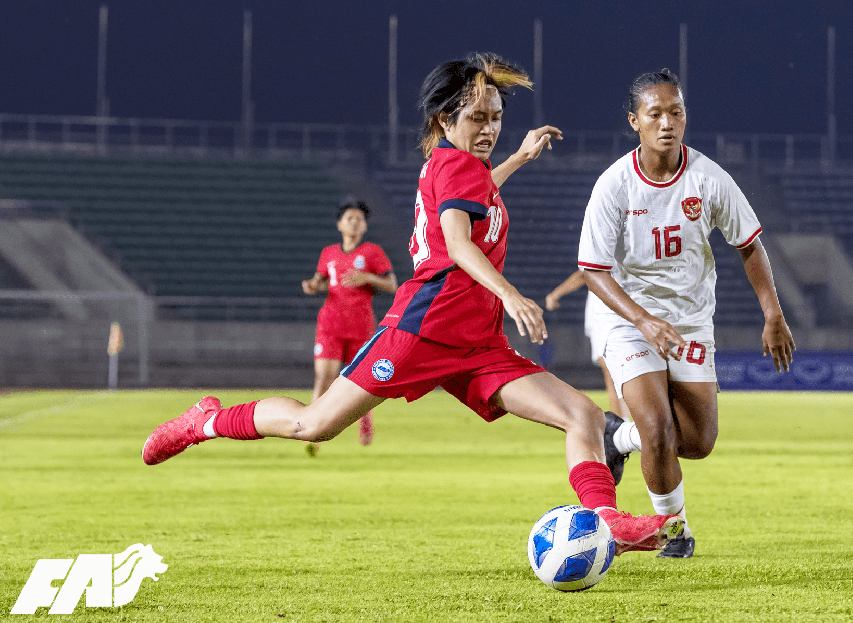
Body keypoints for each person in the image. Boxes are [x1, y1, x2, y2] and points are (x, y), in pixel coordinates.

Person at [142, 53, 685, 554]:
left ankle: (605, 520)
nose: (490, 127)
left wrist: (518, 156)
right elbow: (457, 242)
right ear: (445, 122)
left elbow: (478, 198)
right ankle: (207, 420)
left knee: (582, 415)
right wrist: (512, 294)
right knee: (314, 425)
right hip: (423, 330)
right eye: (477, 117)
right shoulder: (454, 167)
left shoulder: (462, 168)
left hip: (475, 342)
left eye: (495, 116)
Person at [578, 68, 795, 559]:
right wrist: (642, 321)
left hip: (691, 322)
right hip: (631, 322)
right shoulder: (614, 185)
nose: (667, 122)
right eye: (655, 113)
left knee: (697, 442)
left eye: (675, 112)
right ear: (635, 120)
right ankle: (676, 531)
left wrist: (773, 314)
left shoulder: (708, 178)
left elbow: (750, 246)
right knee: (658, 428)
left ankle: (618, 438)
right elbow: (593, 270)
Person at [301, 199, 397, 451]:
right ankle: (312, 431)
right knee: (324, 377)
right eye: (350, 218)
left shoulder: (372, 253)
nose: (355, 222)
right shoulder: (328, 254)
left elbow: (392, 284)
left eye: (359, 219)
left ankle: (365, 421)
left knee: (360, 382)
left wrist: (367, 277)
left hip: (360, 327)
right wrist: (312, 286)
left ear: (364, 226)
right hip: (330, 325)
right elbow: (321, 281)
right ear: (340, 224)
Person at [545, 271, 632, 483]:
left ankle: (622, 428)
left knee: (611, 369)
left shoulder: (603, 243)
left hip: (608, 309)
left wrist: (555, 294)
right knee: (614, 369)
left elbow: (584, 273)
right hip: (615, 305)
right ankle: (623, 425)